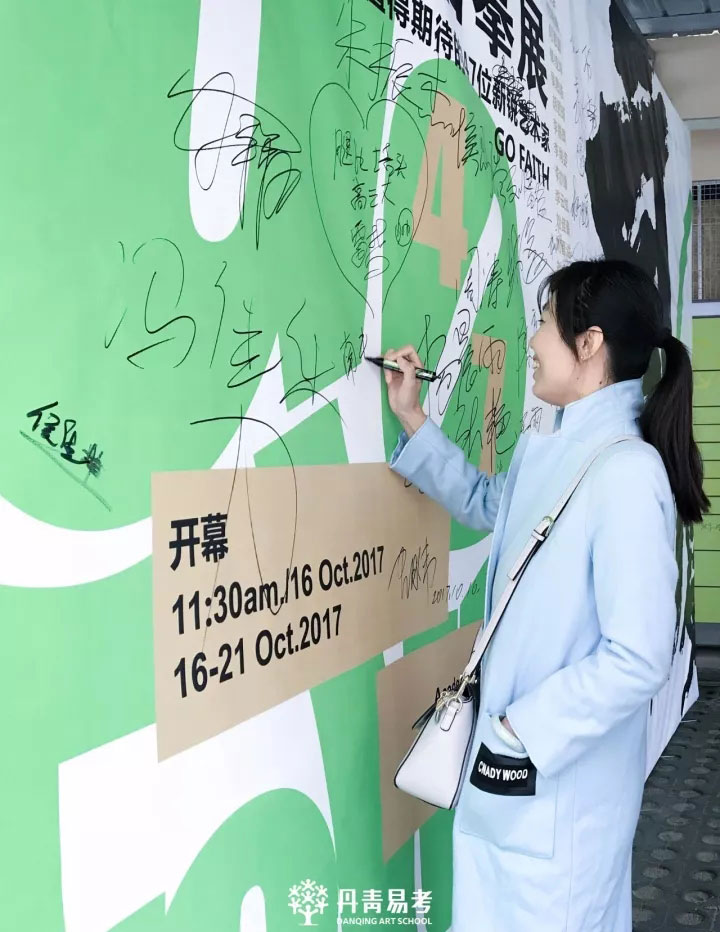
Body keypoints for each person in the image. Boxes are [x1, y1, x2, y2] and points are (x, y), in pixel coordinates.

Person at [383, 259, 710, 932]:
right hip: (520, 785)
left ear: (588, 344)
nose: (532, 340)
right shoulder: (556, 453)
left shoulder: (626, 471)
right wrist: (412, 418)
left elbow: (639, 656)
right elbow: (487, 503)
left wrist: (519, 731)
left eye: (545, 322)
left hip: (557, 792)